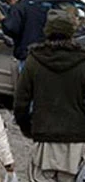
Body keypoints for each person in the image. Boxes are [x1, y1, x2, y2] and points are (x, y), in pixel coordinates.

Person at [15, 9, 85, 182]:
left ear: (47, 31)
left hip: (44, 136)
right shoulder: (82, 61)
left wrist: (28, 128)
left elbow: (21, 102)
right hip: (76, 138)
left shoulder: (34, 60)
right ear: (71, 32)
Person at [2, 0, 58, 72]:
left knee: (25, 77)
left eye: (9, 3)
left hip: (25, 51)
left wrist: (4, 22)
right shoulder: (40, 6)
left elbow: (11, 28)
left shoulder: (17, 8)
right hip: (43, 50)